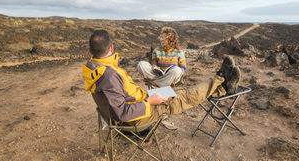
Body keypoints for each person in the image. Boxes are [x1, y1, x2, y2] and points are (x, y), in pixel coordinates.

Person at [82, 30, 241, 126]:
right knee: (182, 97)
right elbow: (122, 113)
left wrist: (147, 97)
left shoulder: (94, 68)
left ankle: (221, 87)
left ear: (90, 51)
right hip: (138, 115)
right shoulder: (108, 75)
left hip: (139, 101)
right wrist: (150, 102)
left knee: (175, 92)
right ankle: (221, 80)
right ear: (111, 47)